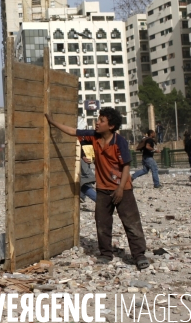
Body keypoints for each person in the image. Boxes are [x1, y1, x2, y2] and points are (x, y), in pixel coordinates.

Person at [45, 107, 149, 270]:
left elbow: (126, 166)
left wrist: (121, 189)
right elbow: (73, 131)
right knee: (102, 222)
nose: (97, 123)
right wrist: (52, 122)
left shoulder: (119, 142)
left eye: (101, 121)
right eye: (98, 119)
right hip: (103, 189)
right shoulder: (93, 136)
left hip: (123, 189)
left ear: (111, 126)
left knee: (131, 222)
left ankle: (139, 255)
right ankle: (106, 253)